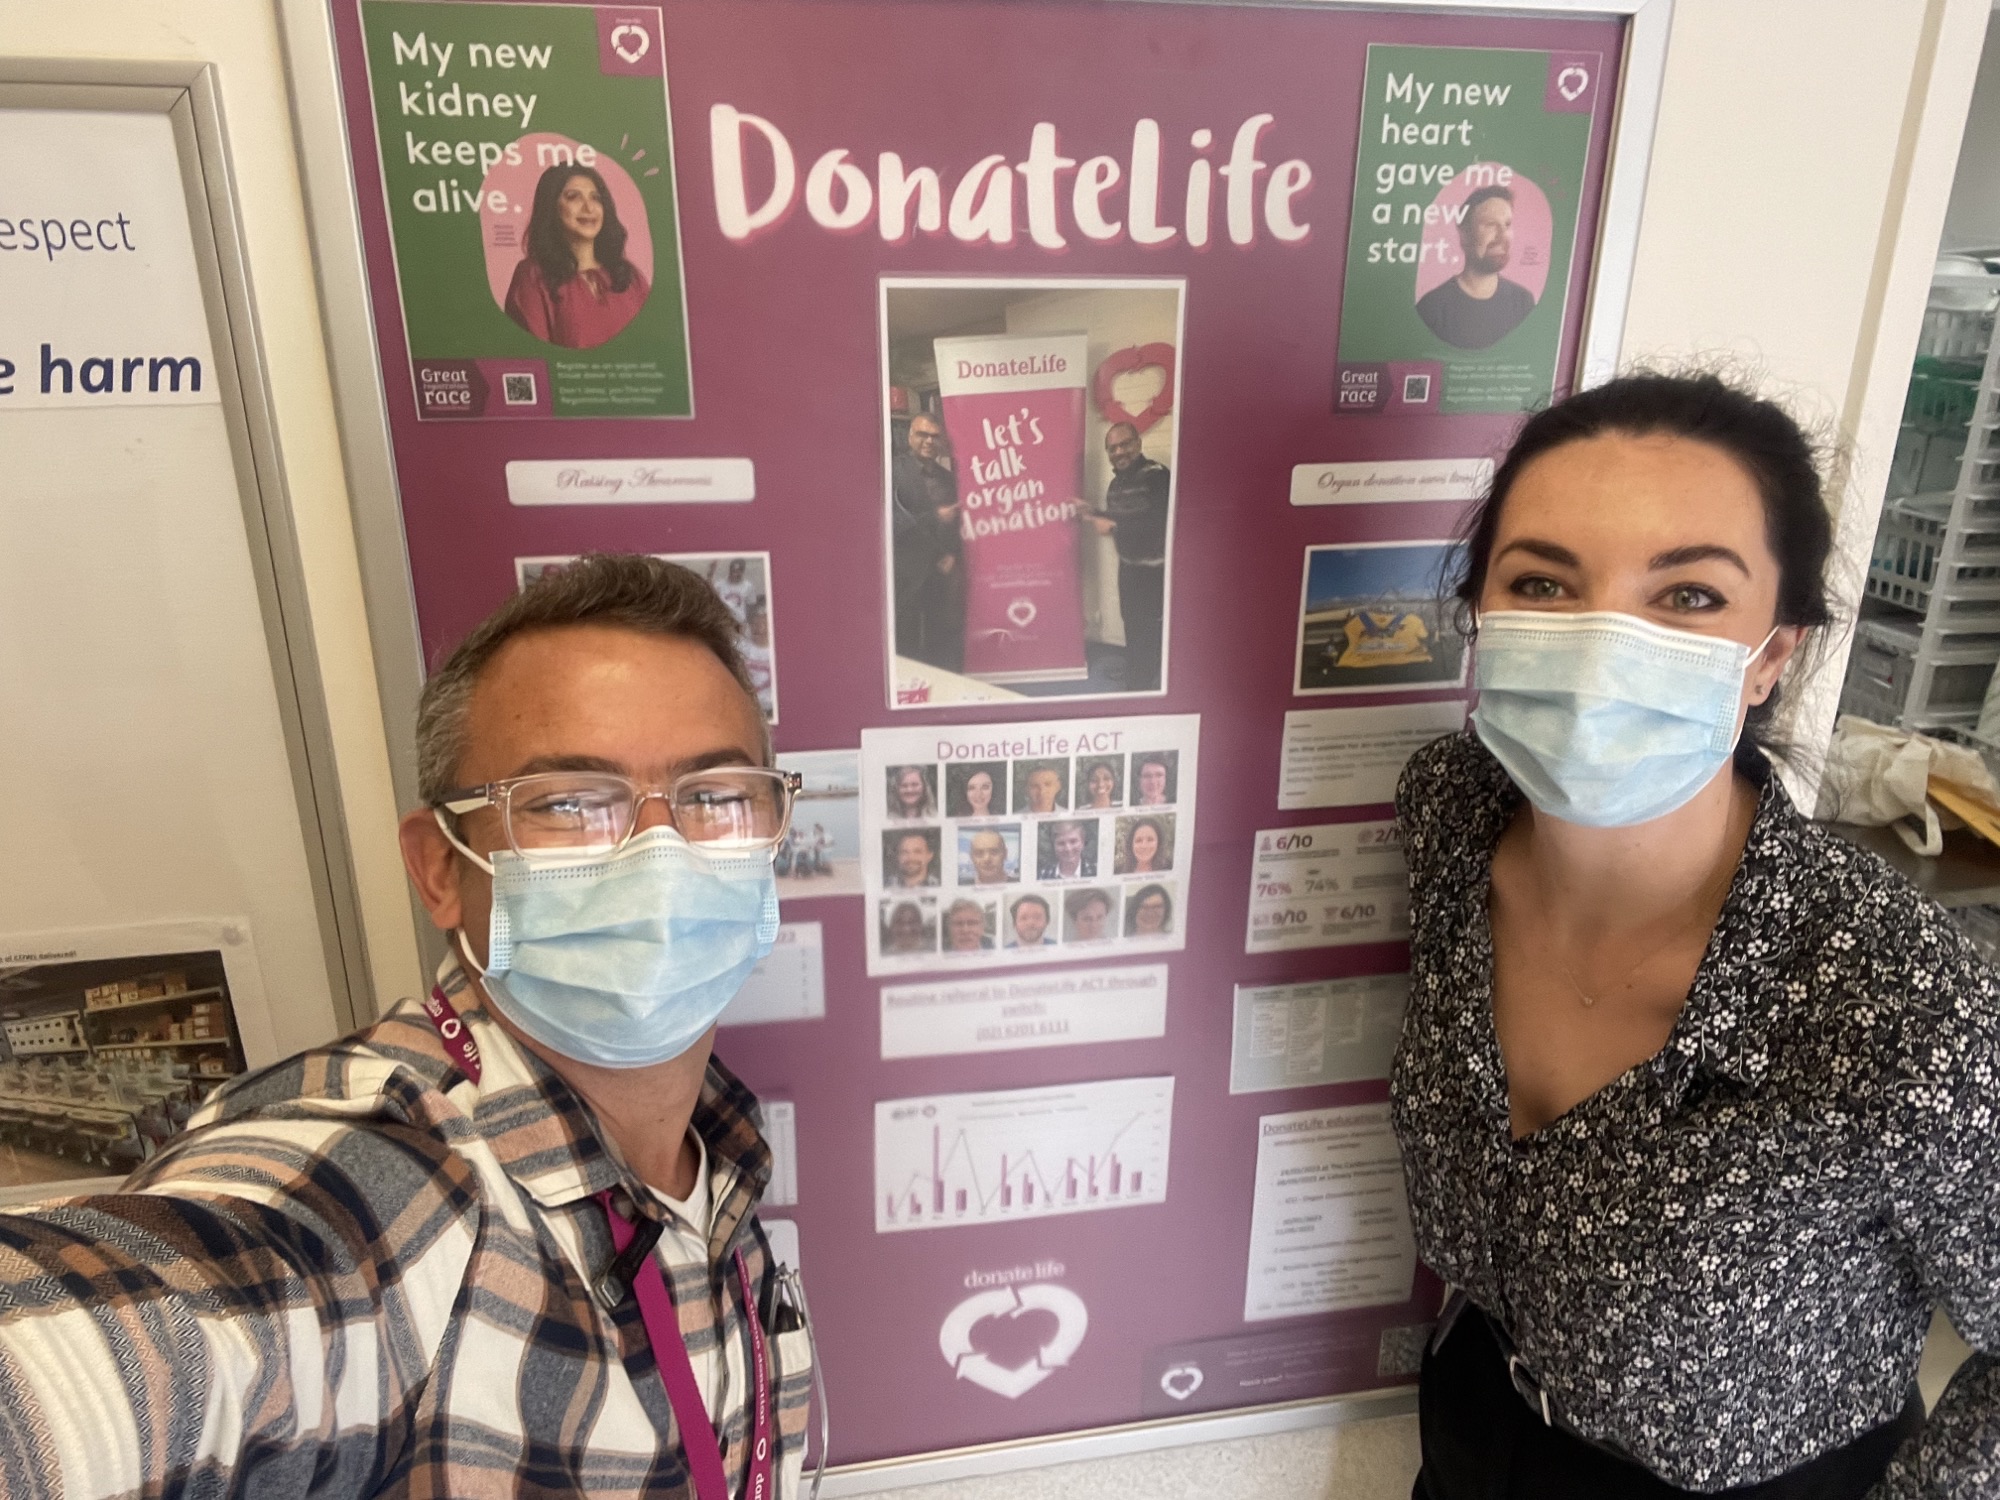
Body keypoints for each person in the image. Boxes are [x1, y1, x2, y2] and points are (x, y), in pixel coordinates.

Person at [0, 555, 815, 1496]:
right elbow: (148, 1338)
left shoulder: (715, 1153)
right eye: (569, 804)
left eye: (716, 796)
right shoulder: (379, 1189)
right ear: (439, 869)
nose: (659, 853)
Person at [1394, 373, 2000, 1497]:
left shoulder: (1908, 1011)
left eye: (1683, 599)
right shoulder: (1446, 820)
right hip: (1474, 1428)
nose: (1596, 646)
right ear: (1481, 612)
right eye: (1542, 582)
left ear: (1770, 655)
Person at [503, 164, 651, 349]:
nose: (589, 208)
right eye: (573, 197)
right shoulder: (532, 277)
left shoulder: (629, 276)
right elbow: (536, 357)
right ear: (551, 206)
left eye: (596, 198)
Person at [1089, 421, 1171, 691]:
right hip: (1129, 569)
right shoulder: (1115, 485)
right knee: (1133, 626)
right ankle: (1137, 676)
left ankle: (1143, 688)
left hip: (1156, 572)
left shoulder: (1158, 476)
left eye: (1125, 444)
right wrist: (1091, 512)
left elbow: (1161, 524)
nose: (1119, 451)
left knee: (1151, 631)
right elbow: (1118, 521)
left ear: (1138, 443)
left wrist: (1115, 526)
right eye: (1113, 448)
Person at [1414, 184, 1536, 351]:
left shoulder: (1523, 302)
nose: (1502, 235)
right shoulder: (1432, 308)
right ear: (1464, 234)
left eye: (1507, 225)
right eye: (1490, 224)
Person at [890, 414, 964, 670]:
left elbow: (958, 522)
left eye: (935, 436)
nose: (929, 441)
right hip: (905, 569)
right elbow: (890, 520)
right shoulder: (891, 472)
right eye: (923, 435)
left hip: (940, 568)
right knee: (905, 638)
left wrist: (953, 553)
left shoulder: (949, 478)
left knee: (940, 634)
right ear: (910, 436)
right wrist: (934, 517)